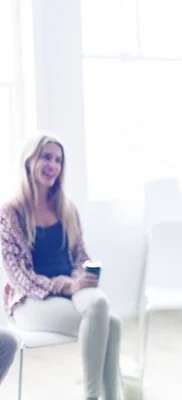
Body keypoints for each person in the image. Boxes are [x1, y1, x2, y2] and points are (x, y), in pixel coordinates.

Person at [0, 133, 121, 400]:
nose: (53, 165)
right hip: (30, 303)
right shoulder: (10, 212)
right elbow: (18, 276)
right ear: (29, 160)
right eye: (46, 157)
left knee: (101, 308)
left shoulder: (67, 208)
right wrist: (65, 286)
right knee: (110, 323)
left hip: (69, 291)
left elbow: (80, 257)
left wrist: (77, 280)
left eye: (58, 160)